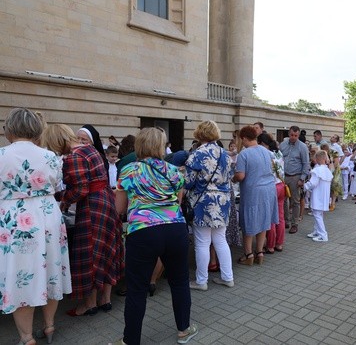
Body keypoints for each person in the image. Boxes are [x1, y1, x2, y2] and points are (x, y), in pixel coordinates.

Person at [113, 127, 197, 345]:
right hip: (175, 229)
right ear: (162, 145)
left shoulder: (128, 171)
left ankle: (130, 340)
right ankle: (184, 330)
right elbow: (177, 203)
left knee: (136, 289)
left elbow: (120, 208)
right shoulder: (174, 171)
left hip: (143, 231)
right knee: (179, 282)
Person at [1, 108, 72, 345]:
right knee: (50, 269)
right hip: (47, 216)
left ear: (9, 128)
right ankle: (50, 326)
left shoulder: (1, 155)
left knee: (19, 274)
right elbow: (57, 185)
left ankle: (27, 337)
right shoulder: (51, 156)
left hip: (14, 219)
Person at [42, 124, 124, 317]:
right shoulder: (89, 149)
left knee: (91, 252)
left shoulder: (74, 156)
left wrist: (62, 198)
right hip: (106, 200)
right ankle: (105, 299)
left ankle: (89, 304)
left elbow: (80, 190)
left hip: (92, 206)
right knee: (106, 248)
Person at [184, 121, 234, 291]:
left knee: (202, 243)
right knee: (220, 240)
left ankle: (201, 281)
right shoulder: (225, 154)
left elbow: (188, 182)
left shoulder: (197, 154)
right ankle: (228, 277)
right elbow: (230, 176)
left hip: (202, 202)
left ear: (200, 134)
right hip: (223, 201)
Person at [233, 126, 278, 265]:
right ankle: (259, 252)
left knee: (249, 221)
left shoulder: (244, 154)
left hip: (253, 190)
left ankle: (249, 254)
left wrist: (232, 178)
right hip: (269, 189)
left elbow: (240, 176)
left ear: (244, 138)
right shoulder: (266, 151)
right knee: (263, 220)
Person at [258, 133, 286, 254]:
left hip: (271, 186)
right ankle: (279, 243)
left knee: (270, 217)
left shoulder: (266, 154)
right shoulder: (279, 152)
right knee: (280, 216)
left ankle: (270, 245)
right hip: (282, 185)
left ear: (262, 144)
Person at [279, 126, 310, 234]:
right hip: (283, 176)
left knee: (295, 201)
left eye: (296, 135)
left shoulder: (302, 147)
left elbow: (306, 163)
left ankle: (294, 224)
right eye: (292, 135)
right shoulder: (282, 145)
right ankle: (286, 221)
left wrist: (302, 178)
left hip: (295, 176)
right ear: (289, 133)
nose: (293, 137)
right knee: (283, 200)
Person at [305, 150, 333, 242]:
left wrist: (305, 186)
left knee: (317, 214)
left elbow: (313, 183)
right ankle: (317, 231)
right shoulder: (327, 170)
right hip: (324, 195)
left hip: (318, 195)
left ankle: (323, 234)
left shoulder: (317, 170)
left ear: (317, 159)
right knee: (319, 214)